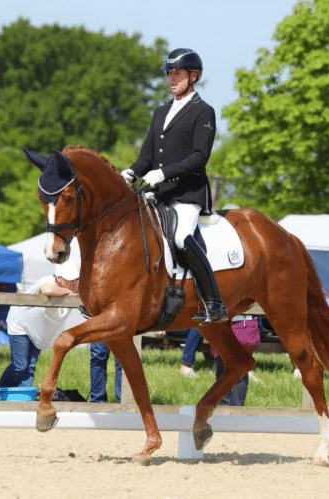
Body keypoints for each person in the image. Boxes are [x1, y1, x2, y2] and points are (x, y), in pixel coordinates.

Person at [121, 48, 226, 325]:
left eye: (178, 74)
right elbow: (146, 156)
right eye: (169, 74)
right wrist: (131, 172)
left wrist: (164, 173)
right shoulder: (160, 112)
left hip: (187, 194)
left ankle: (214, 302)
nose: (172, 79)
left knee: (181, 237)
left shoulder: (203, 111)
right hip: (159, 194)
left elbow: (200, 156)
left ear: (194, 76)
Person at [0, 254, 85, 400]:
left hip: (37, 330)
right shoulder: (48, 281)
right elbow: (46, 289)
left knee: (30, 367)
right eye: (70, 280)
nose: (74, 283)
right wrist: (69, 293)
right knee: (20, 366)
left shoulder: (76, 288)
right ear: (59, 279)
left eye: (75, 280)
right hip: (21, 324)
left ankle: (22, 400)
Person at [210, 315, 263, 406]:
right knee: (234, 373)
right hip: (237, 327)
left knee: (227, 372)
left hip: (241, 327)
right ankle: (232, 407)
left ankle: (229, 407)